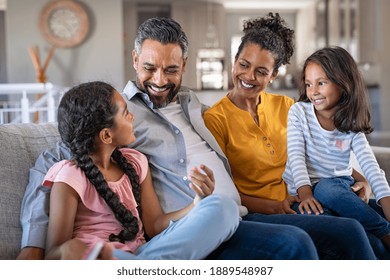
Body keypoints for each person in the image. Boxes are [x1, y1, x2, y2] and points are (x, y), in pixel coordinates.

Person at [17, 17, 362, 260]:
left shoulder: (193, 104)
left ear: (184, 65)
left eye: (171, 69)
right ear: (135, 59)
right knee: (294, 244)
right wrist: (32, 249)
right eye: (149, 67)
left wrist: (346, 173)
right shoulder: (115, 115)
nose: (160, 80)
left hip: (242, 213)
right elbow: (56, 157)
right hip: (192, 226)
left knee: (347, 233)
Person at [203, 13, 378, 259]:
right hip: (264, 212)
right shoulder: (215, 119)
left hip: (308, 198)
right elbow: (222, 192)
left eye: (261, 71)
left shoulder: (287, 106)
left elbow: (324, 151)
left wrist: (363, 180)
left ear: (273, 75)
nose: (249, 76)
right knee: (351, 231)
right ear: (234, 61)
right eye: (244, 64)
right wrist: (275, 206)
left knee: (374, 221)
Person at [42, 80, 239, 259]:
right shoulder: (70, 176)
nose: (132, 116)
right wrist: (66, 250)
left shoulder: (135, 162)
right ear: (106, 136)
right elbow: (53, 252)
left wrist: (197, 204)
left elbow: (154, 226)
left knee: (224, 207)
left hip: (143, 255)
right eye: (125, 113)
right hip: (103, 258)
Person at [282, 46, 390, 251]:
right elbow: (296, 156)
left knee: (333, 190)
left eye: (321, 83)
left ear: (344, 84)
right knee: (326, 194)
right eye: (308, 84)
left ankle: (383, 230)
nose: (313, 92)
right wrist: (305, 193)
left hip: (339, 187)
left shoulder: (350, 124)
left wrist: (386, 201)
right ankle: (384, 232)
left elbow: (371, 166)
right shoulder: (299, 113)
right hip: (308, 192)